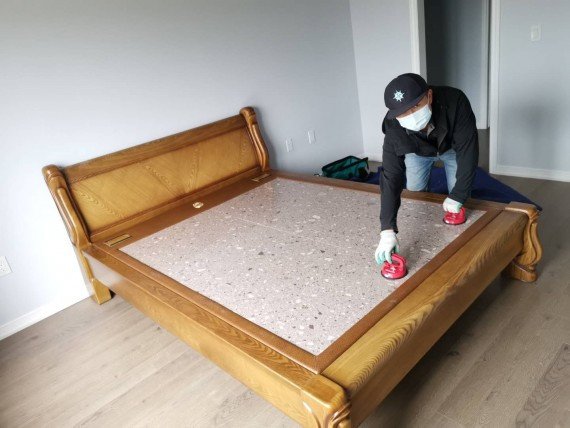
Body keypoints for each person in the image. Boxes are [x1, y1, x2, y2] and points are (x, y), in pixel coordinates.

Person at [375, 73, 479, 264]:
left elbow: (468, 150)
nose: (410, 115)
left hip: (451, 147)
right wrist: (387, 230)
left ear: (429, 96)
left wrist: (459, 194)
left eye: (416, 105)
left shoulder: (456, 101)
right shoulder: (393, 124)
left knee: (459, 195)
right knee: (414, 192)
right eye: (403, 112)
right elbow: (391, 175)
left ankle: (464, 245)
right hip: (417, 152)